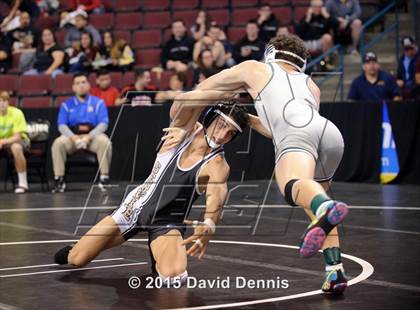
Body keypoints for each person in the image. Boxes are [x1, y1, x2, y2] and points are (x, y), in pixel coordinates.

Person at [176, 33, 350, 294]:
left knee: (293, 186)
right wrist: (246, 116)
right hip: (330, 134)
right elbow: (276, 128)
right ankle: (334, 271)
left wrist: (183, 116)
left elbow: (204, 88)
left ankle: (325, 207)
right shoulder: (310, 85)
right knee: (313, 202)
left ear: (271, 53)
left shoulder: (254, 68)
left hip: (297, 132)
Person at [53, 103, 249, 287]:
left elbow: (217, 194)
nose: (222, 136)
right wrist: (229, 85)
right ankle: (81, 248)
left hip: (166, 221)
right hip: (133, 207)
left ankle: (159, 254)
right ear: (209, 118)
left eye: (231, 133)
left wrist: (209, 223)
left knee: (174, 277)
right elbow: (185, 100)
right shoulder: (184, 128)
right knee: (77, 259)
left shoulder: (218, 164)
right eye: (221, 125)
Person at [51, 73, 112, 193]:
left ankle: (104, 177)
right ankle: (59, 179)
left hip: (93, 136)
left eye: (83, 82)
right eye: (77, 83)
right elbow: (62, 125)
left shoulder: (98, 103)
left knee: (105, 142)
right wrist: (73, 137)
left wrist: (90, 136)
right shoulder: (66, 105)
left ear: (89, 85)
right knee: (58, 143)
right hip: (73, 137)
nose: (81, 86)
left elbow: (103, 123)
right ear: (73, 87)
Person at [0, 91, 30, 194]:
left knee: (16, 147)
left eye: (4, 100)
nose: (2, 103)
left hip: (19, 140)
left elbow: (17, 137)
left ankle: (23, 183)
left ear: (8, 102)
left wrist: (2, 141)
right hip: (3, 142)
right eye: (0, 101)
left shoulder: (17, 113)